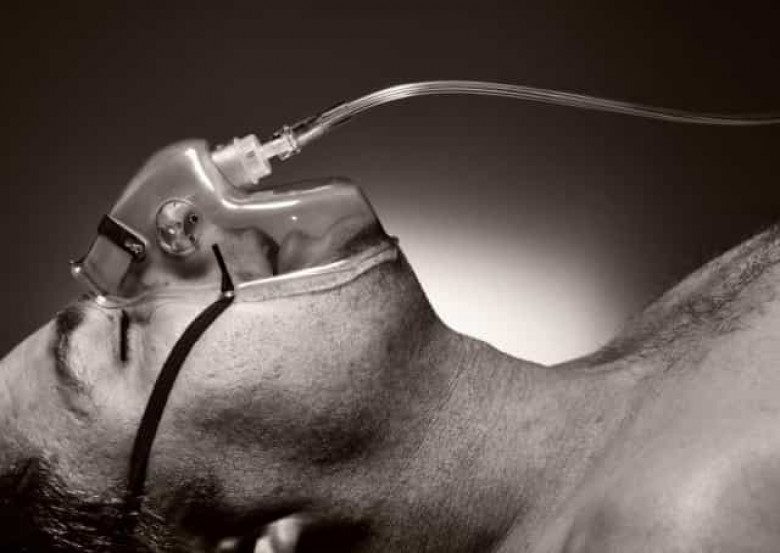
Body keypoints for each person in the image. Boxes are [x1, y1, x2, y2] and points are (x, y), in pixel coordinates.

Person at [3, 162, 780, 553]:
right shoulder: (685, 529)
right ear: (260, 545)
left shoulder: (628, 392)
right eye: (126, 339)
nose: (179, 239)